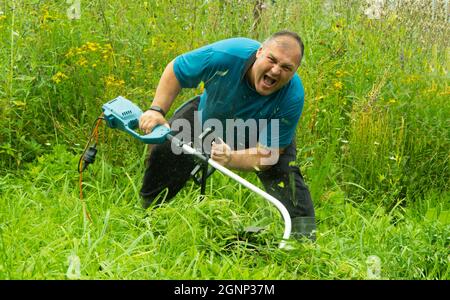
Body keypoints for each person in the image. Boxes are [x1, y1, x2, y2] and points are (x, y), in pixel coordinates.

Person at [139, 30, 316, 241]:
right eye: (272, 59)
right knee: (167, 150)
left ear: (295, 71)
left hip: (260, 135)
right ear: (260, 52)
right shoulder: (228, 54)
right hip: (210, 118)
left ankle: (302, 244)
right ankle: (149, 218)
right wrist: (157, 110)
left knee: (287, 179)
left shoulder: (293, 95)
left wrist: (231, 158)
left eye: (287, 68)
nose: (276, 71)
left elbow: (268, 154)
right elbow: (177, 70)